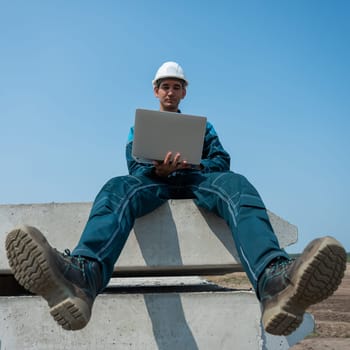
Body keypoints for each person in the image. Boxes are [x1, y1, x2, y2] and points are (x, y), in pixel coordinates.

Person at [6, 61, 346, 336]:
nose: (171, 90)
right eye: (165, 86)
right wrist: (160, 170)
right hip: (153, 182)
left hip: (198, 179)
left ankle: (275, 283)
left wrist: (192, 162)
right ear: (156, 91)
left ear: (184, 92)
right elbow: (134, 164)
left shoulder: (203, 128)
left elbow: (222, 161)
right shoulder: (140, 126)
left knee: (238, 185)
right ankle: (81, 280)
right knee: (116, 187)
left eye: (177, 86)